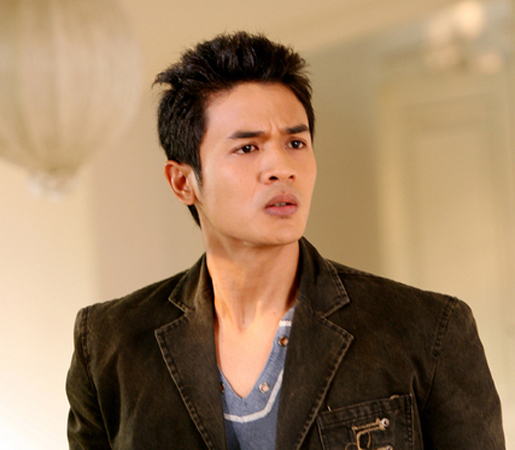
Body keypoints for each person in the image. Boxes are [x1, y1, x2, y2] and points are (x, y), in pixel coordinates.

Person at [66, 31, 505, 449]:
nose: (281, 168)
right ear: (183, 182)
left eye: (295, 142)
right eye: (247, 148)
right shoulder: (110, 345)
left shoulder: (427, 330)